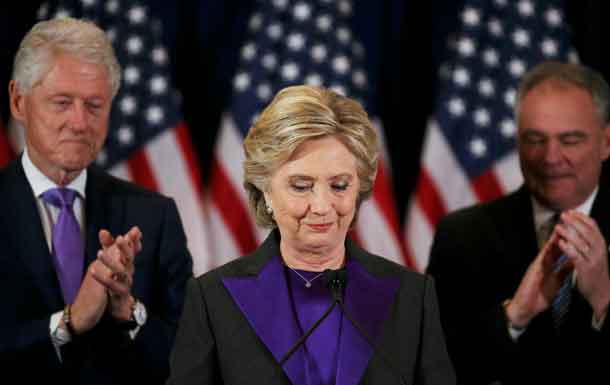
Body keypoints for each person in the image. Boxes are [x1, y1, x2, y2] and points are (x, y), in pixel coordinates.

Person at [167, 85, 455, 385]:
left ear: (359, 189)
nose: (321, 206)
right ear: (266, 189)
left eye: (339, 186)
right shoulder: (213, 300)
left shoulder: (412, 298)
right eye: (301, 186)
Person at [0, 17, 192, 384]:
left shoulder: (154, 215)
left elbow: (191, 356)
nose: (79, 122)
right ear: (18, 101)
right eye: (61, 102)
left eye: (94, 105)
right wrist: (67, 323)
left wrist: (129, 312)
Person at [427, 61, 610, 385]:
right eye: (535, 139)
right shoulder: (462, 237)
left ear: (605, 142)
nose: (550, 157)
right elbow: (433, 370)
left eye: (569, 140)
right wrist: (513, 316)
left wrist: (603, 301)